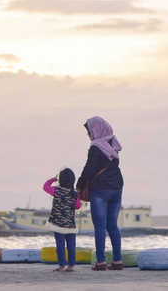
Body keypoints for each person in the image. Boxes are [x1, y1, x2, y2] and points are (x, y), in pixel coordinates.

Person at [76, 116, 124, 271]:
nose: (89, 135)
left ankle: (101, 261)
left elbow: (89, 168)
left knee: (100, 227)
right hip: (117, 189)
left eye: (89, 131)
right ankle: (117, 260)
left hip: (101, 191)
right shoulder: (113, 142)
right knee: (113, 226)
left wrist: (79, 186)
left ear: (95, 130)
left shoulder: (97, 146)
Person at [43, 168, 81, 272]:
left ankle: (61, 266)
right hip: (70, 225)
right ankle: (71, 266)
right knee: (71, 246)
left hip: (58, 224)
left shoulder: (56, 190)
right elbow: (78, 206)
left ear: (61, 180)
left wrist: (52, 179)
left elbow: (45, 187)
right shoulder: (74, 194)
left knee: (60, 246)